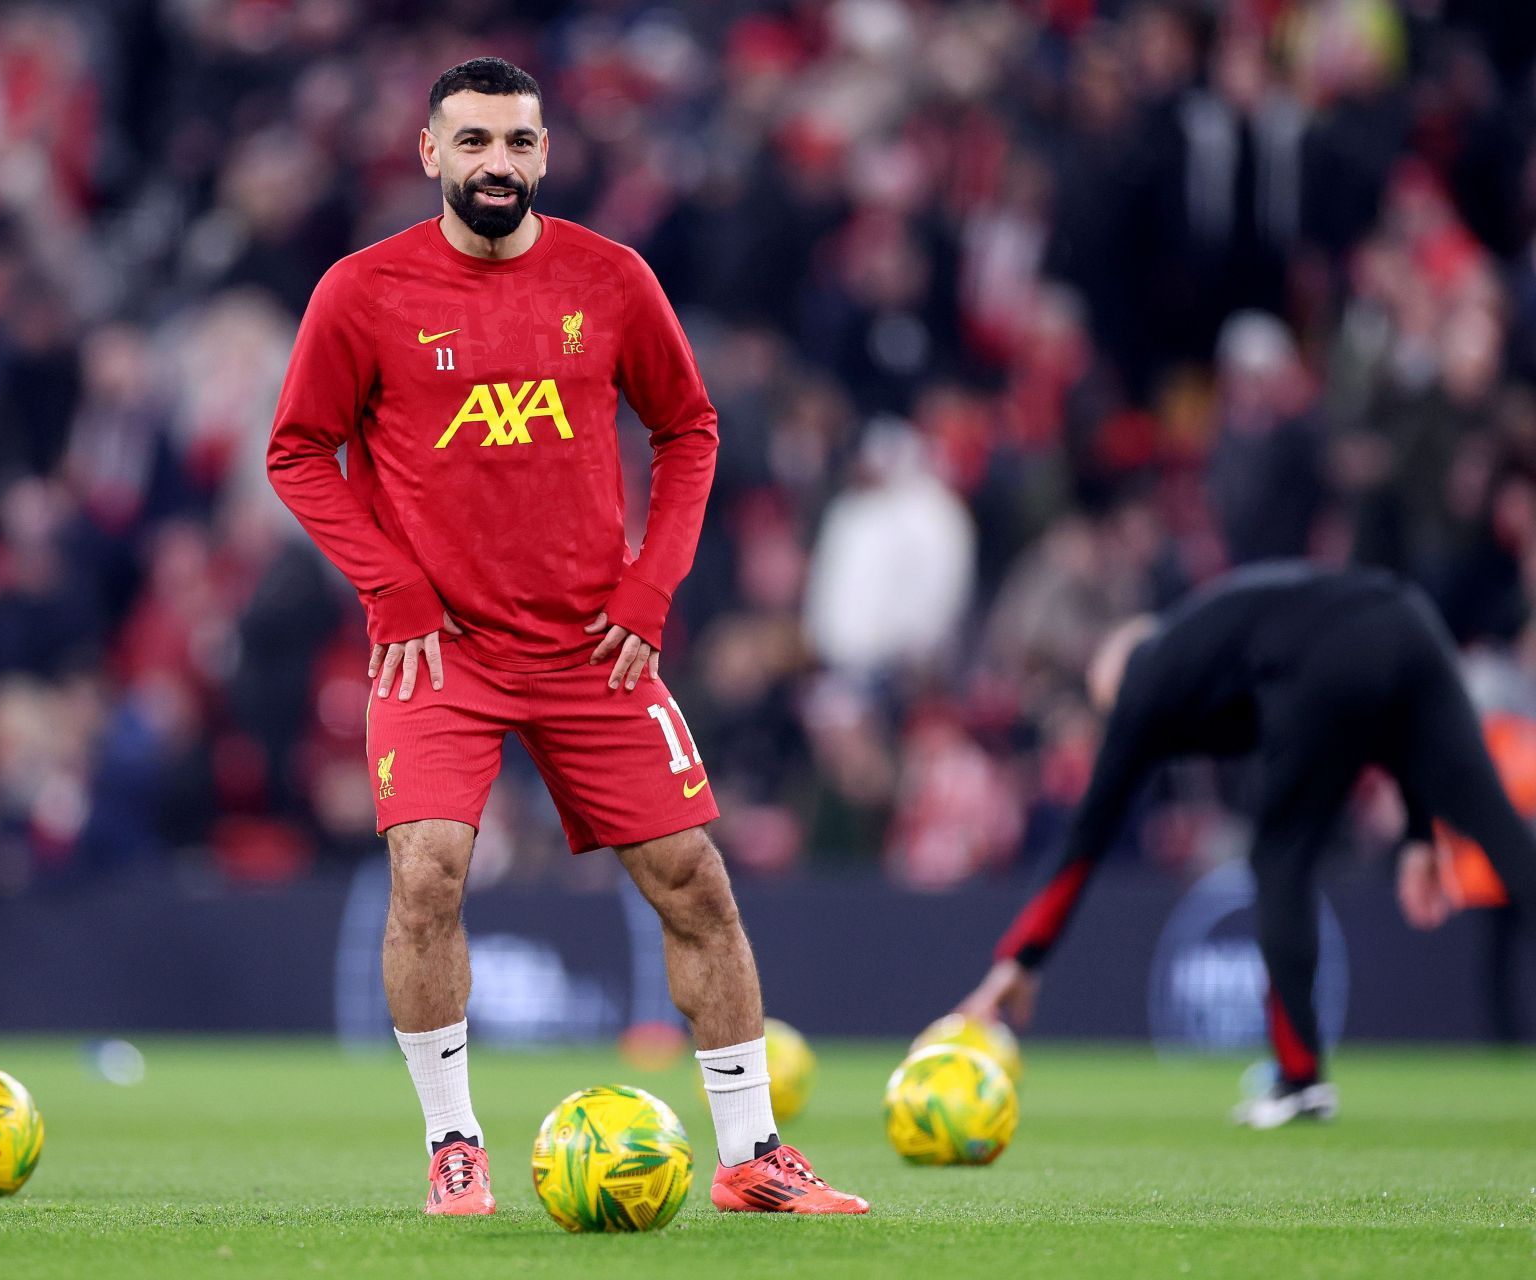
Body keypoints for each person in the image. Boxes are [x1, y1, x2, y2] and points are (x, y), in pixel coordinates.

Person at [265, 57, 865, 1216]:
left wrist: (650, 591)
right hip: (438, 651)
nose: (500, 163)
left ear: (547, 154)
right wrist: (390, 584)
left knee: (695, 879)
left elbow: (689, 427)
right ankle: (454, 1145)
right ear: (430, 153)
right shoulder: (362, 289)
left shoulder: (614, 278)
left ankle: (752, 1155)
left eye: (520, 142)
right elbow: (298, 450)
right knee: (427, 870)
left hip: (598, 646)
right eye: (476, 141)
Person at [957, 562, 1536, 1128]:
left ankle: (1301, 1080)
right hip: (1408, 619)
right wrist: (1417, 830)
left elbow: (1088, 833)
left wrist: (1023, 957)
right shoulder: (1216, 635)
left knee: (1279, 856)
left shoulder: (1143, 675)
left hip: (1327, 650)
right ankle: (1299, 1077)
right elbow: (1380, 708)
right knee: (1502, 832)